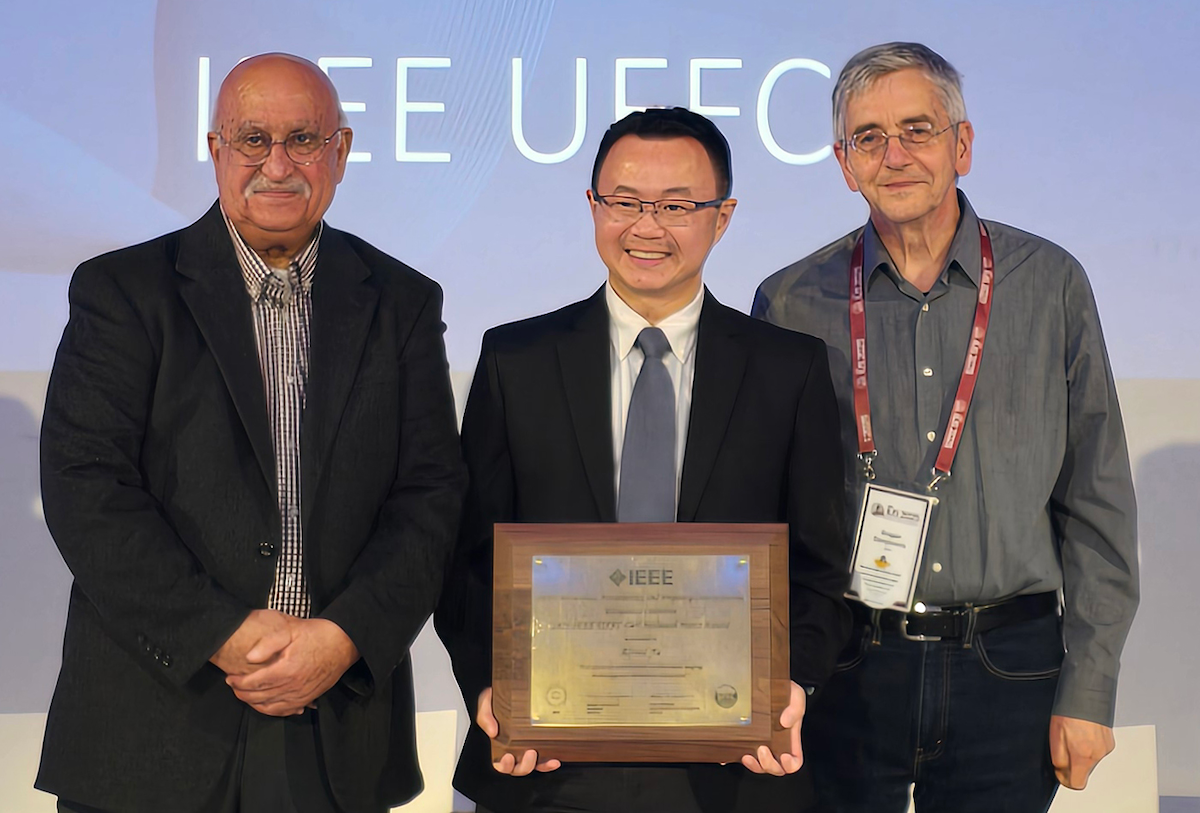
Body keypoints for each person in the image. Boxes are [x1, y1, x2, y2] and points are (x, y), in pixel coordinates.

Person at [37, 53, 466, 813]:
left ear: (341, 152)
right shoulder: (123, 292)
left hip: (335, 728)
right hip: (152, 726)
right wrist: (223, 631)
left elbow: (429, 497)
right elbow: (85, 486)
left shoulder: (401, 301)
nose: (278, 164)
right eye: (253, 139)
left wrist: (343, 638)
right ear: (214, 151)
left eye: (303, 139)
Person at [753, 42, 1139, 813]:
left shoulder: (1050, 283)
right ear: (842, 161)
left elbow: (1097, 498)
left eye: (917, 130)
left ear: (962, 145)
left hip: (1011, 667)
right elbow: (763, 514)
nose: (894, 156)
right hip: (849, 662)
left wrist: (1090, 688)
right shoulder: (791, 301)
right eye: (869, 138)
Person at [434, 107, 850, 813]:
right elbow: (469, 557)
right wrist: (490, 684)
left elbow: (819, 565)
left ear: (722, 217)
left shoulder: (789, 369)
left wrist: (793, 684)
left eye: (677, 205)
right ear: (593, 208)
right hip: (549, 761)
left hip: (730, 766)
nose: (646, 227)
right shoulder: (517, 360)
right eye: (624, 202)